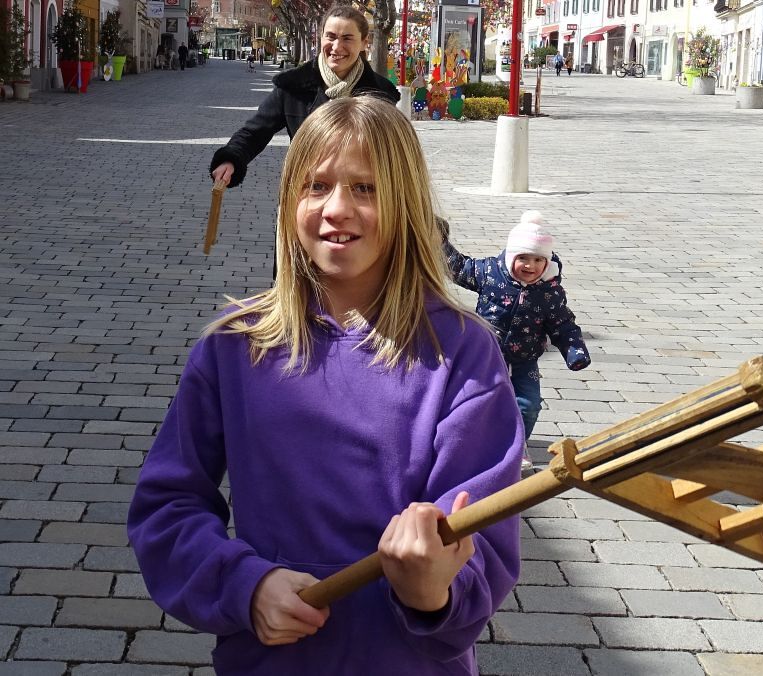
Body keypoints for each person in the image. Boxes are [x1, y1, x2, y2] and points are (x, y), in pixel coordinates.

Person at [128, 97, 523, 674]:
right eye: (316, 186)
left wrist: (435, 590)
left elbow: (482, 533)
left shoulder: (462, 351)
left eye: (365, 188)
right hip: (270, 662)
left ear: (406, 201)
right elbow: (166, 506)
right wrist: (243, 585)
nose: (337, 209)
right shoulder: (234, 346)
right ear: (290, 202)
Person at [442, 211, 591, 471]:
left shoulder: (550, 292)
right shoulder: (490, 273)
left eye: (538, 260)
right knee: (477, 400)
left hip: (525, 359)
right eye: (523, 258)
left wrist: (574, 349)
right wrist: (438, 240)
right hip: (487, 355)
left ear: (547, 262)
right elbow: (459, 267)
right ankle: (472, 441)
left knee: (529, 405)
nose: (530, 266)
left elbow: (562, 323)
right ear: (511, 256)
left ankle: (515, 445)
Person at [210, 5, 400, 190]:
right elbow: (254, 132)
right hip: (306, 192)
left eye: (347, 38)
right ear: (321, 37)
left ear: (364, 43)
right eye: (331, 36)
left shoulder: (380, 93)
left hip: (362, 196)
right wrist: (231, 159)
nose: (337, 46)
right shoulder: (294, 85)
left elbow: (393, 153)